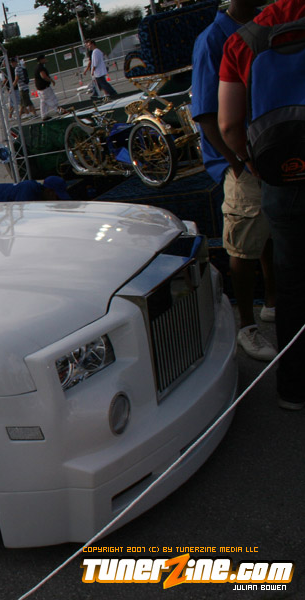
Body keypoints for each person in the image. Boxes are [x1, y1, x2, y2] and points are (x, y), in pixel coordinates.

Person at [218, 0, 305, 409]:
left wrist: (254, 163)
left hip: (283, 175)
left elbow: (228, 124)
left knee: (292, 281)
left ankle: (294, 388)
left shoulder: (242, 41)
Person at [191, 0, 276, 362]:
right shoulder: (213, 39)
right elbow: (206, 115)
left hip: (268, 149)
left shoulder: (265, 23)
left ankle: (271, 303)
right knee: (243, 245)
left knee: (267, 233)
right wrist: (238, 162)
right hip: (243, 157)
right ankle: (247, 326)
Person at [0, 176, 71, 203]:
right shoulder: (29, 189)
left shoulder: (36, 192)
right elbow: (20, 214)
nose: (57, 201)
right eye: (57, 197)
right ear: (49, 192)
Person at [34, 54, 59, 120]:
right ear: (41, 60)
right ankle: (58, 110)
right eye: (44, 58)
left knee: (43, 103)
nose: (45, 59)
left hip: (40, 89)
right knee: (52, 99)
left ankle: (44, 115)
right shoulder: (41, 68)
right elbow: (43, 76)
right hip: (45, 88)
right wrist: (51, 80)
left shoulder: (36, 67)